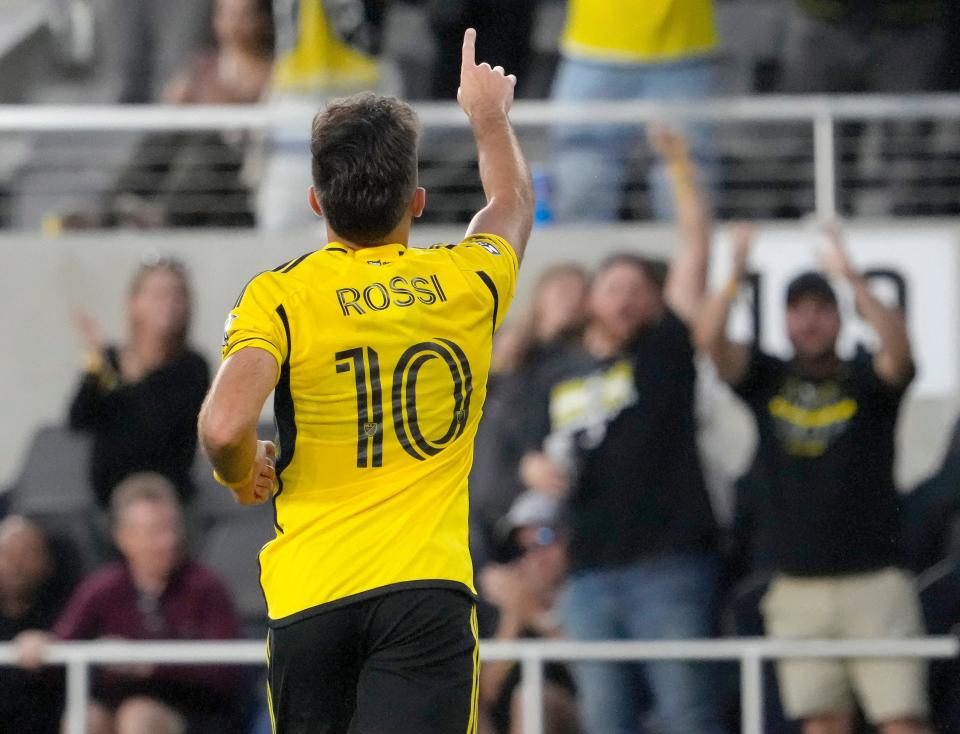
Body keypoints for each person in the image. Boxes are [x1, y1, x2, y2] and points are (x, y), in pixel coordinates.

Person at [197, 28, 533, 733]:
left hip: (312, 597)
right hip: (425, 595)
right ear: (414, 202)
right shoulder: (465, 282)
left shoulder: (282, 295)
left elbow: (225, 426)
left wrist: (238, 473)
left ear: (317, 204)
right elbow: (509, 206)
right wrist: (489, 117)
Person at [520, 131, 724, 734]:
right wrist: (534, 470)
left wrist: (680, 166)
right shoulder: (555, 372)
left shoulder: (666, 354)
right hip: (588, 574)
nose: (628, 299)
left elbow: (696, 248)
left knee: (689, 716)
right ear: (591, 301)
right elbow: (528, 451)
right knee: (606, 722)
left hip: (670, 568)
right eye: (615, 287)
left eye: (641, 290)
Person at [695, 225, 931, 734]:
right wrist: (735, 269)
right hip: (796, 585)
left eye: (822, 308)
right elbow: (709, 340)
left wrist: (851, 278)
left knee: (902, 721)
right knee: (822, 723)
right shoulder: (767, 377)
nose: (809, 320)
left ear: (840, 316)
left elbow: (901, 352)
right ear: (783, 318)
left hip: (876, 581)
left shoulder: (867, 377)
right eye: (798, 309)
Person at [15, 474, 245, 734]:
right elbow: (63, 646)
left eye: (173, 528)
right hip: (115, 706)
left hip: (195, 713)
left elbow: (227, 671)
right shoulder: (102, 588)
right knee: (85, 718)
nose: (169, 541)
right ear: (124, 537)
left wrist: (150, 664)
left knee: (138, 716)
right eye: (156, 531)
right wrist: (43, 647)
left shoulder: (205, 587)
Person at [550, 0, 717, 222]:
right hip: (594, 54)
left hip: (684, 56)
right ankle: (577, 257)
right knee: (582, 183)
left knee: (683, 188)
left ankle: (691, 257)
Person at [470, 264, 589, 570]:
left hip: (542, 518)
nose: (572, 300)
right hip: (485, 510)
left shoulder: (582, 365)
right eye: (563, 290)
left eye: (581, 293)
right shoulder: (506, 366)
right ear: (540, 299)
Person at [68, 257, 210, 508]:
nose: (168, 304)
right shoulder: (108, 360)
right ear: (133, 302)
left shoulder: (192, 367)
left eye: (177, 294)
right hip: (106, 502)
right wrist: (97, 365)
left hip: (168, 501)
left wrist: (125, 378)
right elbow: (79, 419)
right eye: (157, 294)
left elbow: (158, 429)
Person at [479, 491, 582, 734]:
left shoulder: (586, 591)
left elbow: (598, 678)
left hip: (584, 713)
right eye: (522, 548)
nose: (534, 558)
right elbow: (485, 694)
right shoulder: (509, 603)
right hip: (509, 722)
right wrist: (513, 620)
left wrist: (537, 615)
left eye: (544, 539)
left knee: (532, 699)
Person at [0, 517, 77, 734]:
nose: (16, 564)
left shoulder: (68, 611)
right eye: (6, 553)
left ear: (47, 561)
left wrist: (52, 643)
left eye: (27, 553)